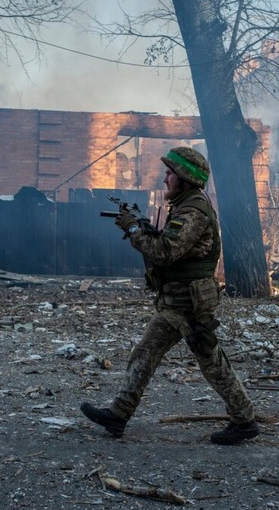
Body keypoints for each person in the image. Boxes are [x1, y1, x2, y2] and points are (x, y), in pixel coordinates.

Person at [81, 147, 259, 445]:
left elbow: (166, 252)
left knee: (211, 361)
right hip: (174, 302)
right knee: (145, 353)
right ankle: (118, 415)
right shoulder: (184, 205)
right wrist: (146, 229)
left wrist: (135, 230)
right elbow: (172, 245)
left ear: (185, 178)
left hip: (189, 304)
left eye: (169, 174)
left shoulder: (193, 211)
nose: (165, 179)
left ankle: (245, 420)